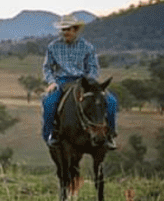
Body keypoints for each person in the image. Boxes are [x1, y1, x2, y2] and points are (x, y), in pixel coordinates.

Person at [42, 14, 117, 149]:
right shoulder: (53, 47)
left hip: (84, 81)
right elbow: (47, 68)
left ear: (75, 30)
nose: (65, 32)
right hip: (62, 81)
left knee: (111, 102)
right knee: (49, 102)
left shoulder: (87, 47)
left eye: (68, 29)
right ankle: (51, 134)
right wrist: (51, 82)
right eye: (63, 29)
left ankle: (109, 134)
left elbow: (93, 68)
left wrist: (89, 81)